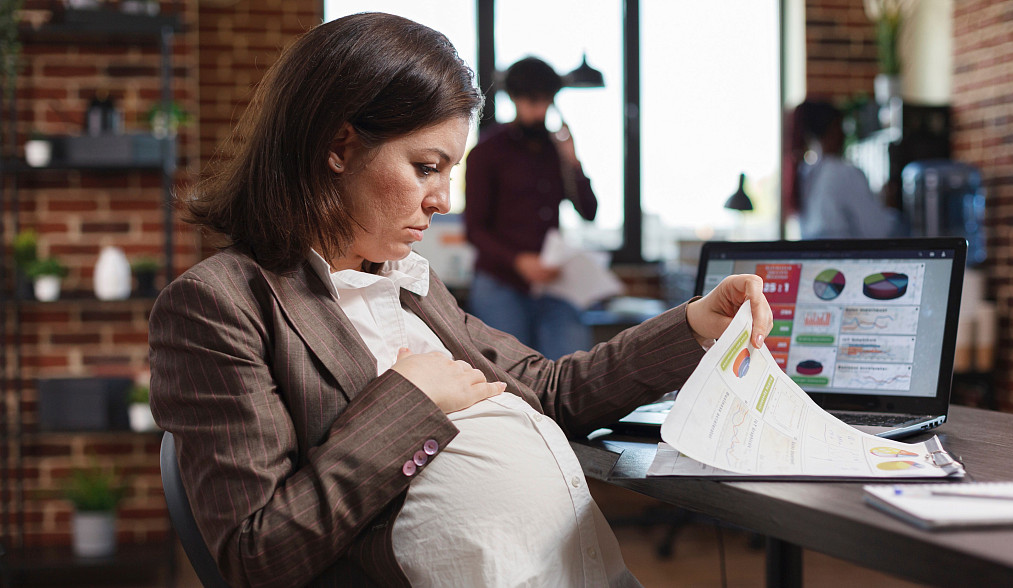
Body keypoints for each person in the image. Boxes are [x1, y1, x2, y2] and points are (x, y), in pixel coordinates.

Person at [148, 13, 773, 587]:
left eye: (450, 172)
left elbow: (549, 391)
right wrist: (410, 402)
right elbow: (256, 556)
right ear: (338, 147)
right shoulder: (220, 306)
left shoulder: (409, 284)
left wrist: (695, 323)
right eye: (426, 167)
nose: (444, 200)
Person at [464, 56, 597, 359]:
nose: (540, 111)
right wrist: (518, 261)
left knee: (573, 366)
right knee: (509, 371)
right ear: (515, 99)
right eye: (532, 102)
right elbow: (475, 229)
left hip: (552, 281)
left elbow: (589, 211)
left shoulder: (556, 151)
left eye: (546, 102)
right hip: (501, 280)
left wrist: (574, 163)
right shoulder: (487, 152)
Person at [788, 100, 901, 239]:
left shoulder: (805, 173)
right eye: (841, 126)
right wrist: (890, 206)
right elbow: (879, 231)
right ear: (833, 129)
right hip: (842, 252)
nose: (844, 134)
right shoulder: (842, 173)